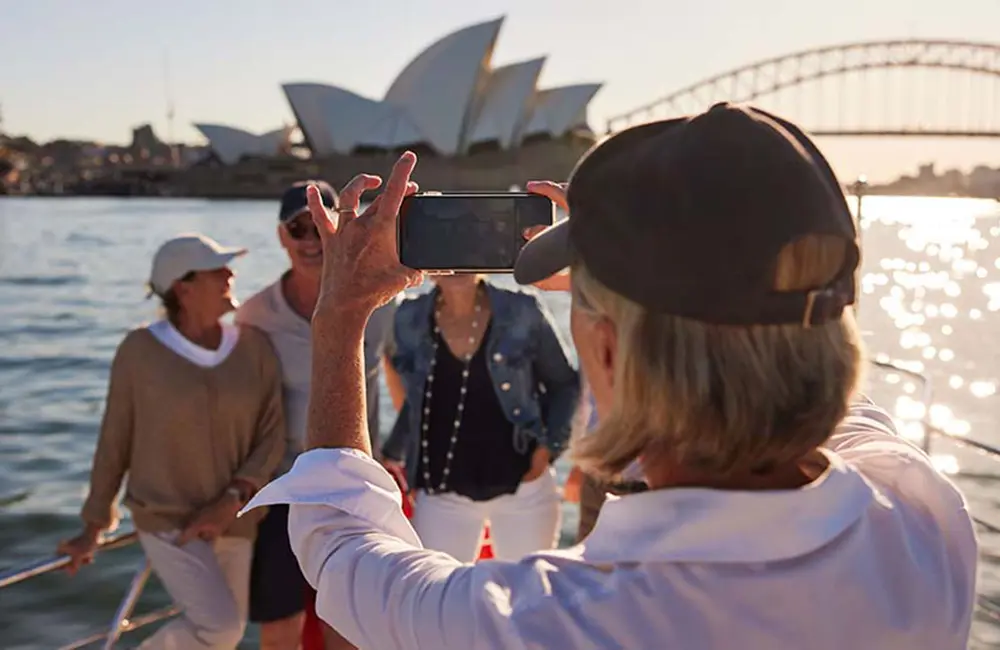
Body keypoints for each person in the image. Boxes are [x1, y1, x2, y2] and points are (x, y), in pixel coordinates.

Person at [241, 103, 978, 649]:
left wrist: (339, 320)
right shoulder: (923, 519)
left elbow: (339, 542)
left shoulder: (549, 623)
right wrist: (620, 298)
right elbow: (824, 381)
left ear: (612, 356)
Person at [57, 233, 286, 649]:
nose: (230, 274)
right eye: (217, 270)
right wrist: (94, 525)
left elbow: (272, 434)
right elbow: (115, 439)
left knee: (226, 633)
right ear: (184, 286)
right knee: (219, 628)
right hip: (166, 520)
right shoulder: (140, 351)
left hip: (237, 517)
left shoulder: (254, 347)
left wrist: (233, 498)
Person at [234, 180, 396, 650]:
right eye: (298, 228)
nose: (310, 239)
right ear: (282, 237)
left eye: (320, 226)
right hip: (285, 490)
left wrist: (398, 453)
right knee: (281, 624)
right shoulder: (255, 315)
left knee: (348, 625)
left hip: (354, 488)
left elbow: (402, 372)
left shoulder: (381, 304)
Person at [380, 273, 579, 562]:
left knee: (527, 599)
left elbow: (564, 384)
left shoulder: (521, 310)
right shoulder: (408, 317)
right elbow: (418, 400)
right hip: (441, 489)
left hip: (523, 486)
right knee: (439, 598)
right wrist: (392, 455)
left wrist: (547, 451)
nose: (454, 262)